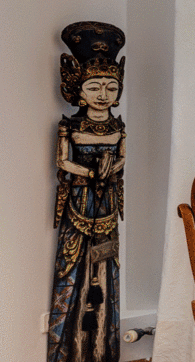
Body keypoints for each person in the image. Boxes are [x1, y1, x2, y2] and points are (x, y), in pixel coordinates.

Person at [49, 22, 125, 362]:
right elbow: (63, 161)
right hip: (79, 204)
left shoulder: (118, 127)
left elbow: (123, 157)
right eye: (94, 86)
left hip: (106, 203)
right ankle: (68, 348)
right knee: (73, 269)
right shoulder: (71, 125)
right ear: (78, 90)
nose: (102, 94)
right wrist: (91, 171)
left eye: (110, 87)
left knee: (106, 270)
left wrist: (111, 168)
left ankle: (103, 347)